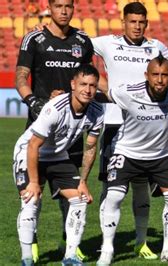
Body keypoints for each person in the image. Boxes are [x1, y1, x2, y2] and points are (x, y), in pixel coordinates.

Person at [96, 55, 168, 265]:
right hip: (126, 152)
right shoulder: (128, 92)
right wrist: (72, 94)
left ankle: (167, 248)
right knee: (114, 196)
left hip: (160, 156)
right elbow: (102, 95)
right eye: (155, 75)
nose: (160, 80)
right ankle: (107, 249)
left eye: (165, 75)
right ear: (146, 76)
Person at [91, 2, 168, 259]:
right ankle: (107, 245)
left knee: (141, 186)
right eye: (132, 21)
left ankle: (141, 241)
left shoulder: (157, 47)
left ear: (146, 23)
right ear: (123, 22)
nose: (137, 26)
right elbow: (75, 44)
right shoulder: (107, 43)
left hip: (147, 124)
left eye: (141, 22)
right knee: (110, 187)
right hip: (114, 123)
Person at [15, 0, 94, 261]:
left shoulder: (82, 41)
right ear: (50, 7)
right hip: (42, 125)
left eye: (68, 6)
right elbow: (20, 78)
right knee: (32, 194)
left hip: (72, 131)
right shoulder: (34, 38)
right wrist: (35, 102)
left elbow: (91, 76)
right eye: (58, 5)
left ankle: (68, 242)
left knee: (69, 196)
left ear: (73, 8)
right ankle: (32, 242)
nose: (63, 10)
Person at [13, 65, 104, 266]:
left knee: (79, 200)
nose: (87, 90)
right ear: (73, 84)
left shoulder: (98, 111)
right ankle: (27, 259)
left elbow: (90, 148)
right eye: (83, 84)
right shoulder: (54, 108)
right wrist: (34, 183)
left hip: (58, 156)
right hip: (29, 152)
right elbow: (33, 145)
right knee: (31, 199)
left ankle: (70, 257)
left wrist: (82, 181)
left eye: (92, 86)